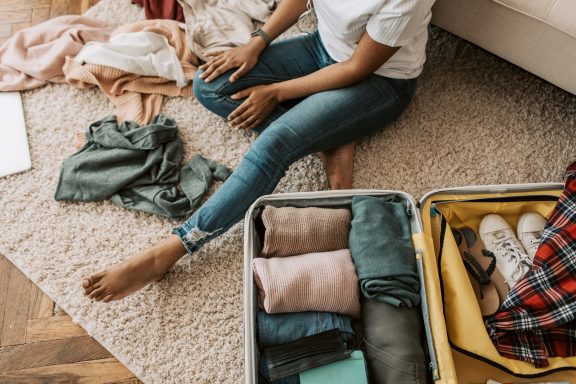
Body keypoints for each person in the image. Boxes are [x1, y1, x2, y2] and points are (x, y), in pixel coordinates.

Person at [82, 0, 434, 302]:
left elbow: (358, 66)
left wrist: (277, 92)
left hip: (380, 82)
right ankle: (332, 135)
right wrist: (257, 42)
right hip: (321, 49)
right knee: (211, 85)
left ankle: (172, 250)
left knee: (277, 142)